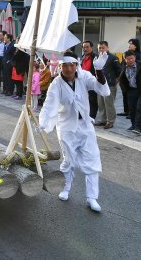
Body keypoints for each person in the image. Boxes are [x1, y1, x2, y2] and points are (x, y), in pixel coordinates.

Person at [39, 50, 110, 212]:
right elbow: (50, 104)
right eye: (65, 66)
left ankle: (92, 197)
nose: (69, 69)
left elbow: (103, 90)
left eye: (72, 65)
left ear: (76, 65)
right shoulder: (56, 84)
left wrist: (99, 70)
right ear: (60, 66)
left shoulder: (84, 76)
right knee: (69, 160)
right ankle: (66, 188)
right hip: (66, 126)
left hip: (85, 125)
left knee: (92, 160)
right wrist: (43, 122)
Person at [94, 41, 121, 129]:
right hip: (100, 84)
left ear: (107, 48)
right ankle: (103, 120)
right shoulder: (97, 57)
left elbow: (119, 71)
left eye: (103, 47)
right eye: (99, 48)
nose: (101, 49)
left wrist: (115, 80)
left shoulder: (113, 57)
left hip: (110, 85)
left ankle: (110, 121)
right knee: (101, 103)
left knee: (109, 104)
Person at [118, 38, 141, 118]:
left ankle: (131, 112)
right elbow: (122, 64)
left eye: (131, 44)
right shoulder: (127, 53)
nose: (129, 45)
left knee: (130, 97)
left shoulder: (136, 55)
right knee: (125, 95)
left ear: (135, 46)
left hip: (130, 80)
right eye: (129, 44)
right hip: (124, 78)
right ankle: (126, 111)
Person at [80, 41, 98, 119]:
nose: (85, 49)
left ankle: (92, 117)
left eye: (87, 47)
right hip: (83, 82)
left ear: (92, 47)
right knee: (83, 99)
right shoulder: (82, 57)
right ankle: (84, 114)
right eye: (84, 47)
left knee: (92, 100)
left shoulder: (95, 57)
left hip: (91, 81)